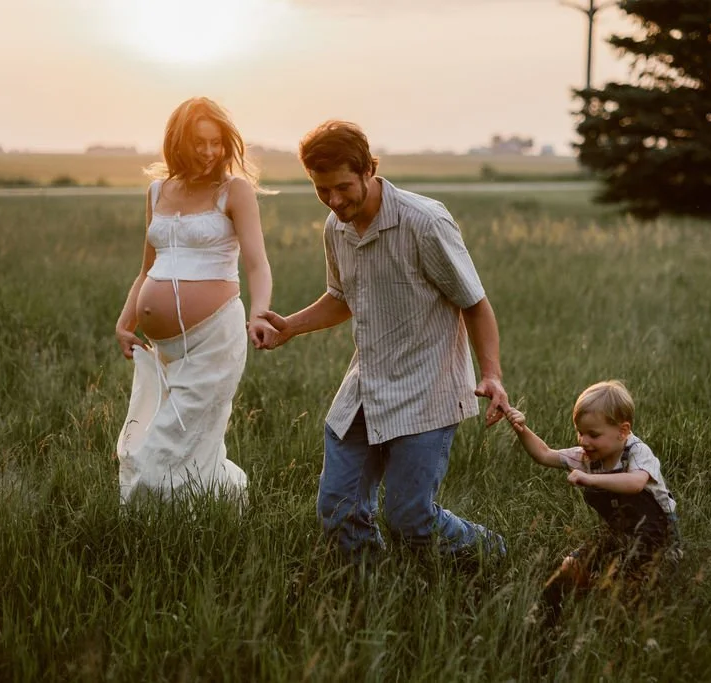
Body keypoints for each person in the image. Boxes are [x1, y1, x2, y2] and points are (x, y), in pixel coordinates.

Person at [257, 120, 509, 562]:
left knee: (411, 520)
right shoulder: (336, 229)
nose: (334, 201)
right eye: (322, 191)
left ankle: (490, 553)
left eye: (342, 187)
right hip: (365, 389)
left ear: (369, 169)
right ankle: (367, 593)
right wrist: (290, 327)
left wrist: (492, 375)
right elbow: (342, 297)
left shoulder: (424, 222)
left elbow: (475, 303)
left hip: (426, 392)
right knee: (339, 510)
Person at [113, 96, 274, 507]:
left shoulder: (234, 191)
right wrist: (125, 322)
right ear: (177, 142)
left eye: (216, 143)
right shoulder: (156, 192)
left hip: (215, 339)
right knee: (186, 441)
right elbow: (146, 268)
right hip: (165, 350)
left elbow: (257, 264)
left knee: (164, 446)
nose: (208, 152)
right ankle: (210, 517)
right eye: (198, 142)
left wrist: (259, 314)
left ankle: (145, 523)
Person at [505, 380, 680, 619]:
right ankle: (547, 616)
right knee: (570, 566)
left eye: (593, 435)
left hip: (656, 536)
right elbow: (544, 454)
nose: (583, 441)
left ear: (623, 431)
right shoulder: (588, 456)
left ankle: (616, 610)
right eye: (580, 432)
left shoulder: (637, 452)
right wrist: (521, 429)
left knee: (631, 591)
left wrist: (590, 480)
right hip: (617, 532)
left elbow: (635, 483)